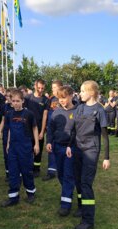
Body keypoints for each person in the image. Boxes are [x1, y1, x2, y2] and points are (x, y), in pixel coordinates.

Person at [66, 80, 110, 229]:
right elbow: (74, 130)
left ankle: (88, 220)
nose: (80, 94)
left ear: (91, 93)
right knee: (78, 181)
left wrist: (106, 157)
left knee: (85, 183)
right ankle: (82, 207)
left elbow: (105, 136)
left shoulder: (99, 110)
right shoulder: (79, 108)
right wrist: (69, 146)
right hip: (77, 149)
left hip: (91, 150)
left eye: (83, 91)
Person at [1, 89, 39, 207]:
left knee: (27, 171)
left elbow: (34, 128)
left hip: (25, 148)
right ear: (11, 102)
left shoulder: (29, 114)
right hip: (13, 148)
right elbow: (10, 130)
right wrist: (7, 144)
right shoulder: (9, 114)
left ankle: (31, 193)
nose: (16, 103)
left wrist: (36, 143)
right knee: (13, 172)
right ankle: (13, 197)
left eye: (18, 101)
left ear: (23, 101)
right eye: (13, 101)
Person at [46, 86, 77, 216]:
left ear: (71, 96)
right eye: (59, 98)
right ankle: (68, 191)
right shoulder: (56, 111)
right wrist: (49, 141)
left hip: (71, 148)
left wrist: (71, 144)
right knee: (61, 174)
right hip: (57, 147)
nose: (61, 100)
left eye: (64, 98)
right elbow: (51, 128)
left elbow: (77, 131)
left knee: (69, 175)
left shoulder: (77, 111)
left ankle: (65, 205)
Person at [24, 79, 49, 177]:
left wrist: (42, 131)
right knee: (27, 149)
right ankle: (27, 167)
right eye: (38, 87)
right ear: (35, 86)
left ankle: (36, 169)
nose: (40, 90)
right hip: (27, 129)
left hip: (39, 128)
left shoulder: (46, 100)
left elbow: (45, 116)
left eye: (42, 88)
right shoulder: (28, 98)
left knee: (38, 150)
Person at [43, 80, 63, 181]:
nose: (52, 89)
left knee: (61, 150)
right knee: (51, 149)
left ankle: (63, 169)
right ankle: (51, 172)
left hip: (62, 131)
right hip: (51, 129)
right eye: (52, 88)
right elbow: (46, 113)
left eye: (54, 87)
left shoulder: (65, 99)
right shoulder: (50, 99)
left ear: (60, 88)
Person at [0, 88, 14, 181]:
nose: (8, 98)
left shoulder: (17, 107)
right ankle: (8, 173)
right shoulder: (5, 107)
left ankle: (16, 173)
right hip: (6, 133)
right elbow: (3, 120)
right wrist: (0, 131)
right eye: (7, 96)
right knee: (6, 154)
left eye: (10, 96)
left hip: (16, 134)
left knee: (14, 155)